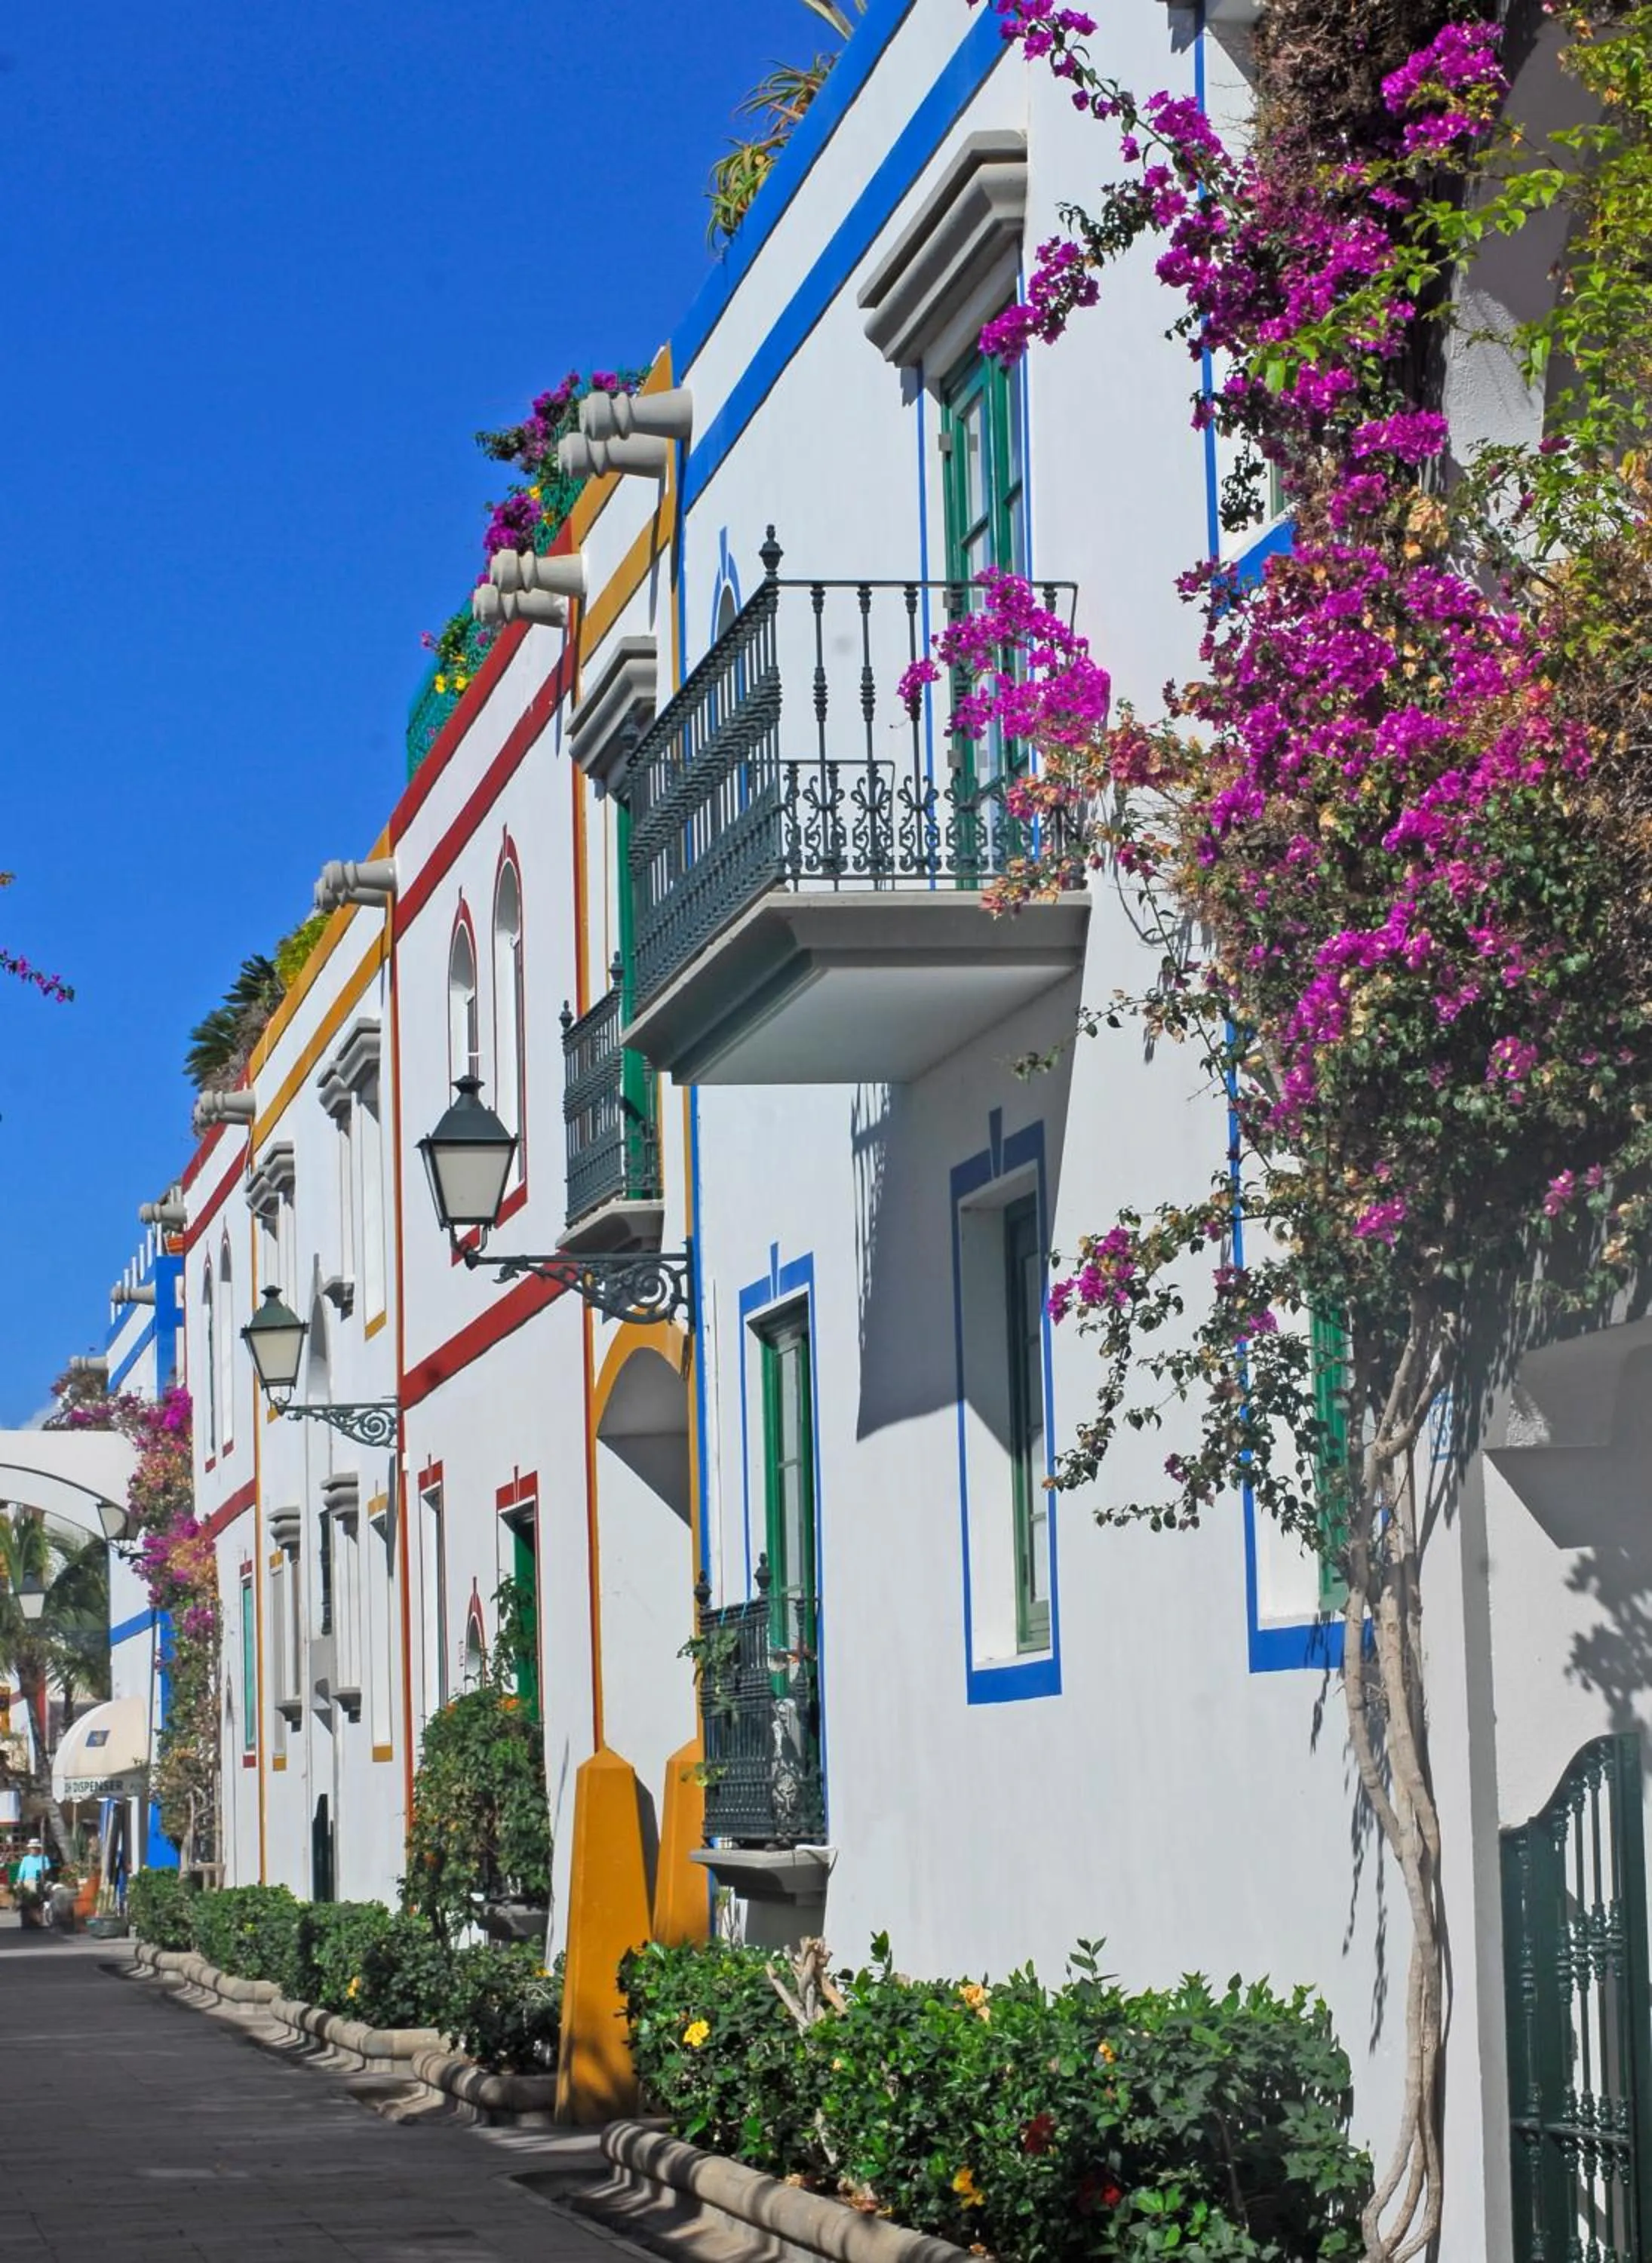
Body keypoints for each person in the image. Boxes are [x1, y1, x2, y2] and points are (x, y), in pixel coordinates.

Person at [14, 1838, 48, 1928]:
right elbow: (22, 1872)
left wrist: (41, 1875)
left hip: (39, 1881)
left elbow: (47, 1870)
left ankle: (38, 1922)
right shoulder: (26, 1859)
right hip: (28, 1882)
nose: (34, 1850)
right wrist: (19, 1881)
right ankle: (26, 1922)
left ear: (39, 1849)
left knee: (38, 1903)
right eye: (32, 1848)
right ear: (29, 1849)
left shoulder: (44, 1858)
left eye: (35, 1848)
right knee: (26, 1903)